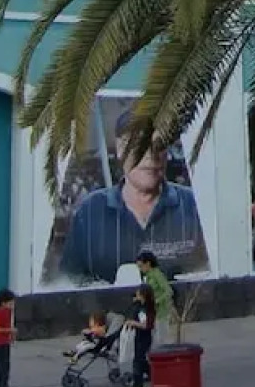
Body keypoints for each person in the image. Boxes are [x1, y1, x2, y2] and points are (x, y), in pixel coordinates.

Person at [56, 109, 208, 285]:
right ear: (120, 148)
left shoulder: (194, 206)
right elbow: (68, 280)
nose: (150, 156)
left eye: (159, 145)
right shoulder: (90, 212)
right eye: (140, 147)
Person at [122, 285, 156, 387]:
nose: (136, 294)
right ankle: (155, 374)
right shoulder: (143, 306)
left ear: (142, 295)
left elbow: (145, 325)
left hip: (143, 337)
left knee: (137, 361)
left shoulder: (144, 309)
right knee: (141, 360)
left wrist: (133, 323)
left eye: (138, 293)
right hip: (142, 336)